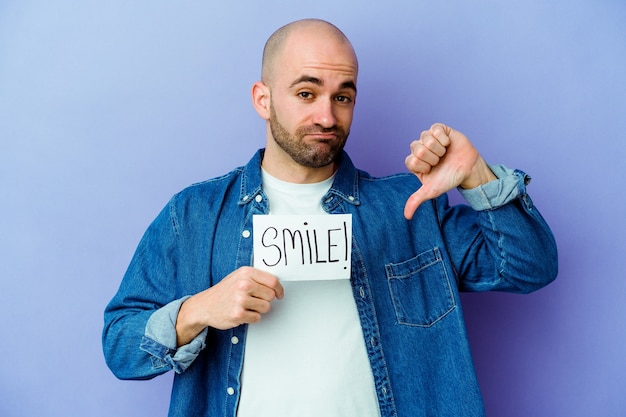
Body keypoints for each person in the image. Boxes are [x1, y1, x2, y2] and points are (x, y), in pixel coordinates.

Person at [103, 18, 558, 417]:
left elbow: (528, 267)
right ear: (263, 99)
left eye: (343, 96)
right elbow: (121, 347)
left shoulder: (410, 207)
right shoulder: (195, 214)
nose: (327, 115)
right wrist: (199, 310)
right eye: (306, 92)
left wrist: (476, 176)